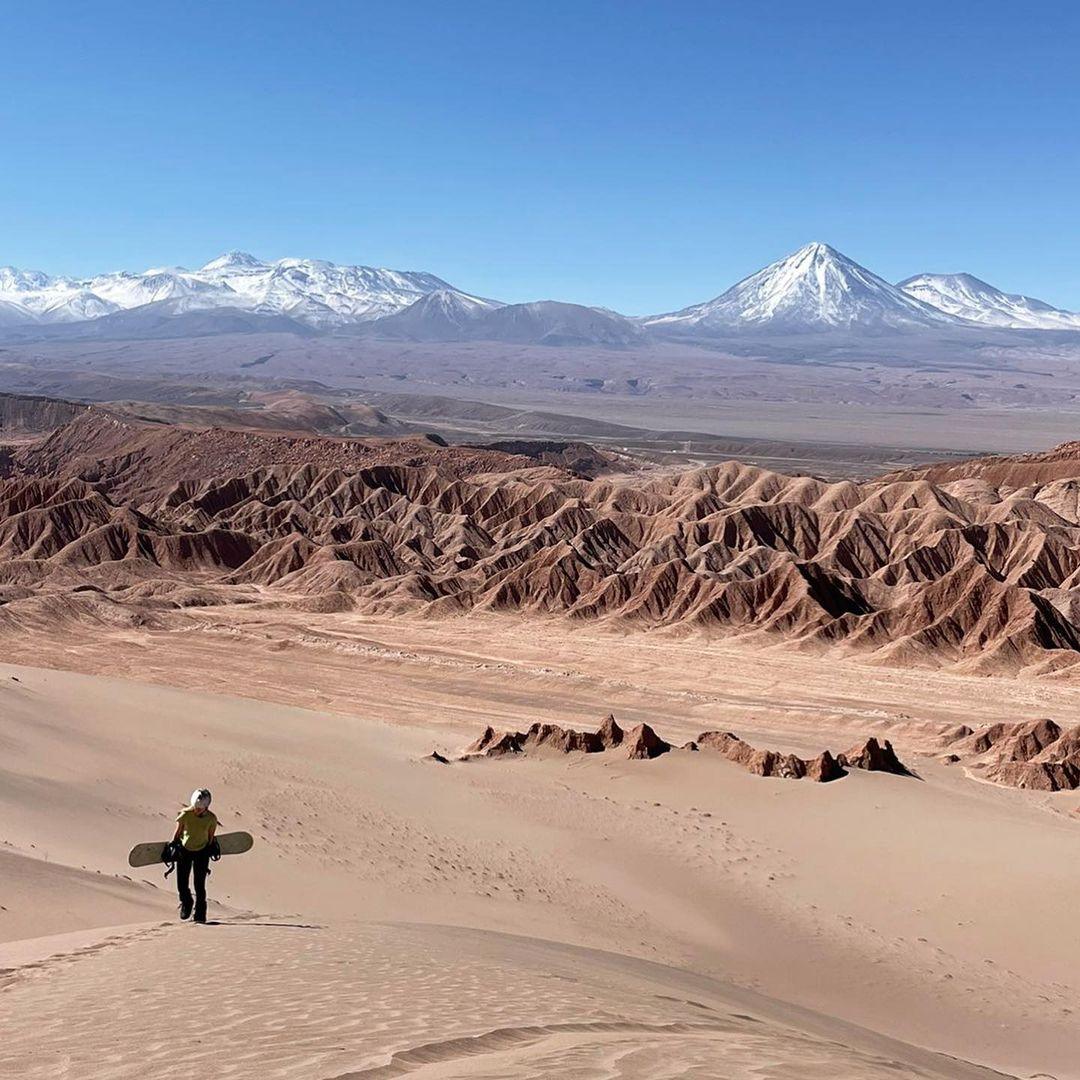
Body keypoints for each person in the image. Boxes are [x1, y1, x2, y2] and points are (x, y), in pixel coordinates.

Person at [171, 788, 219, 923]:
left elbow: (210, 836)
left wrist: (209, 848)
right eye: (195, 807)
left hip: (202, 852)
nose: (197, 810)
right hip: (184, 851)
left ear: (206, 807)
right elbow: (178, 832)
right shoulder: (185, 815)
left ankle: (200, 913)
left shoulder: (211, 818)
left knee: (199, 884)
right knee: (181, 883)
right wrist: (173, 845)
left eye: (200, 808)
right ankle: (186, 902)